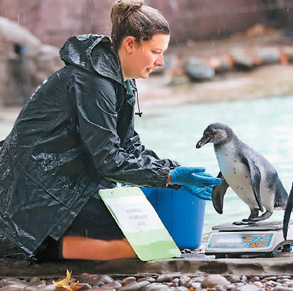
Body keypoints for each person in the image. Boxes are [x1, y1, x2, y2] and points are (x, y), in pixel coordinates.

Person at [0, 0, 221, 261]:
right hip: (35, 192)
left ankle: (54, 245)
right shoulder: (94, 81)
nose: (161, 62)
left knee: (150, 232)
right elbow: (108, 160)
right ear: (130, 44)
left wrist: (173, 172)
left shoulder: (117, 80)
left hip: (70, 183)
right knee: (135, 240)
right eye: (154, 51)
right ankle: (38, 247)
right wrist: (169, 176)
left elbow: (129, 148)